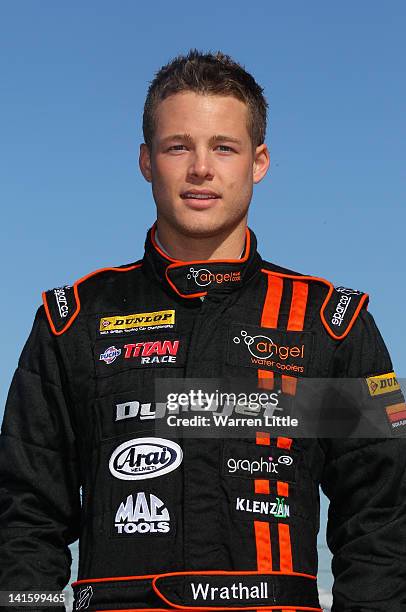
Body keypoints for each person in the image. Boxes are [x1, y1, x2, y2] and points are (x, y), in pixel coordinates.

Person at [0, 50, 405, 612]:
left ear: (258, 161)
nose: (200, 169)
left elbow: (384, 517)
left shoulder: (332, 324)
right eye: (177, 146)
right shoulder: (73, 321)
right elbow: (24, 517)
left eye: (224, 147)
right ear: (146, 160)